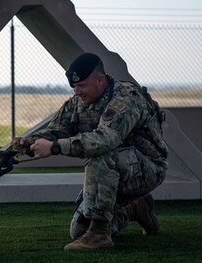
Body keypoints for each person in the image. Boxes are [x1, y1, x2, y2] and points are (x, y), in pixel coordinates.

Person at [14, 52, 168, 250]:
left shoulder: (126, 99)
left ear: (100, 80)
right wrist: (29, 143)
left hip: (148, 168)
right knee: (78, 231)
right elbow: (57, 130)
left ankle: (100, 234)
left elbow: (105, 140)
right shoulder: (78, 102)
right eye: (74, 87)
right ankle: (135, 208)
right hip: (116, 169)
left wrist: (55, 147)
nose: (76, 92)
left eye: (81, 86)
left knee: (101, 153)